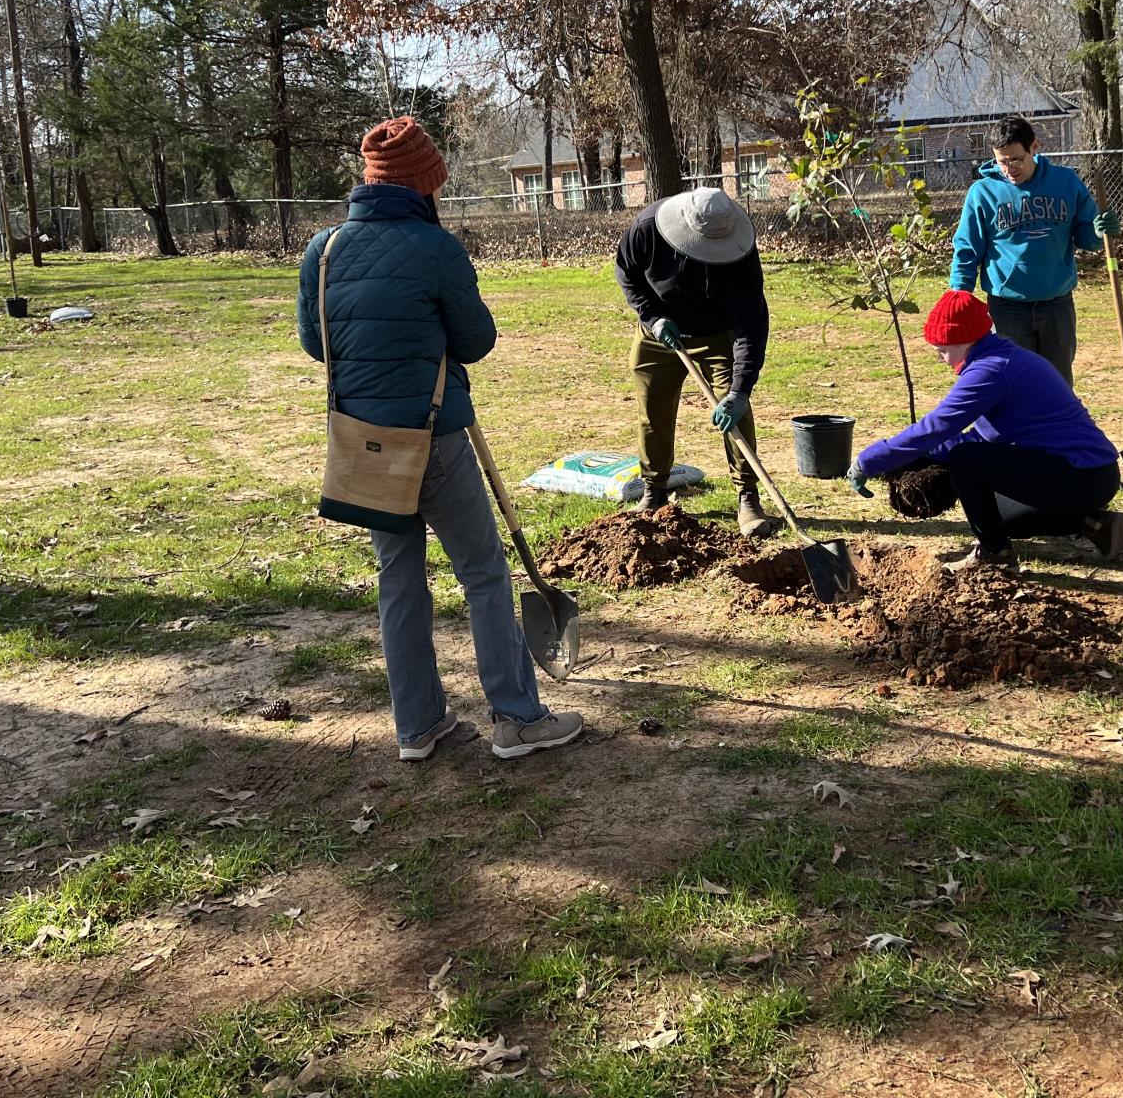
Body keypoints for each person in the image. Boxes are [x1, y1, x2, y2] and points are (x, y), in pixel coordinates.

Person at [298, 116, 582, 763]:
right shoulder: (437, 250)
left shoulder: (324, 251)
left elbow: (321, 344)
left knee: (398, 581)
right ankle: (517, 719)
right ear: (425, 186)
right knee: (483, 574)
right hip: (435, 444)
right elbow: (476, 340)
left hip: (362, 445)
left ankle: (418, 727)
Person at [845, 289, 1123, 571]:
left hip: (1081, 475)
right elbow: (982, 437)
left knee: (965, 461)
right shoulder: (1006, 358)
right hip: (1092, 474)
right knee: (1001, 518)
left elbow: (938, 427)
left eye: (943, 348)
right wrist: (919, 455)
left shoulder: (990, 371)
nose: (940, 356)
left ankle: (996, 554)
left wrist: (870, 460)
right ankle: (1095, 525)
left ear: (965, 340)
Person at [614, 187, 779, 538]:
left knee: (734, 410)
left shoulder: (741, 255)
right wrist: (652, 318)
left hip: (718, 335)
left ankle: (748, 496)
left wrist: (740, 390)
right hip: (660, 332)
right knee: (653, 409)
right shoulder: (646, 228)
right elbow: (627, 272)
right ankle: (654, 490)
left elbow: (751, 324)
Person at [948, 114, 1120, 386]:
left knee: (1057, 383)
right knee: (1014, 383)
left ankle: (1058, 429)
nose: (1009, 168)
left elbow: (1087, 237)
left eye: (1016, 159)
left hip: (1057, 304)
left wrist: (1100, 232)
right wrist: (959, 292)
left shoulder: (1065, 182)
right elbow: (967, 247)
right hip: (1007, 307)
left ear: (1034, 148)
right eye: (1001, 161)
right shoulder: (983, 193)